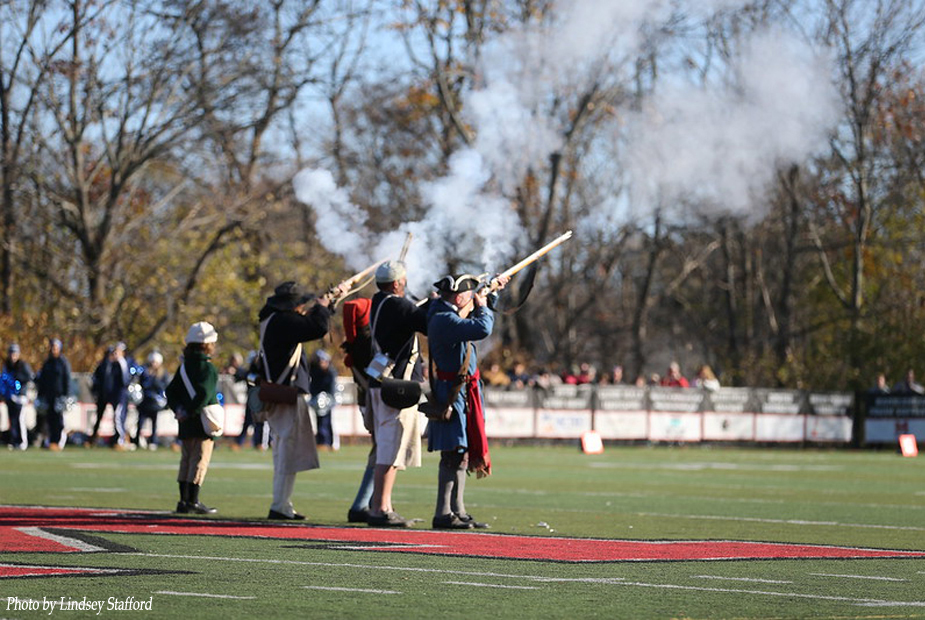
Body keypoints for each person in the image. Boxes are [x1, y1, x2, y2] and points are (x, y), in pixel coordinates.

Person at [257, 280, 346, 520]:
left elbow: (313, 322)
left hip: (282, 392)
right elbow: (316, 327)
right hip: (285, 393)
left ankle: (283, 503)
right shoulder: (282, 321)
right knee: (287, 449)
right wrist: (323, 305)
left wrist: (330, 303)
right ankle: (279, 505)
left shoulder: (275, 319)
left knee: (287, 449)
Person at [426, 272, 508, 530]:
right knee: (451, 453)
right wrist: (482, 305)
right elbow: (482, 327)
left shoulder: (447, 313)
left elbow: (475, 319)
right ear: (460, 296)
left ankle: (457, 510)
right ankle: (443, 513)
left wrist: (491, 294)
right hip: (452, 392)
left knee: (460, 453)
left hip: (461, 392)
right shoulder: (443, 318)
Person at [366, 260, 430, 528]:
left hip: (382, 380)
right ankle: (380, 508)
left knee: (389, 447)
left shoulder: (379, 302)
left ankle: (383, 504)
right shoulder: (398, 305)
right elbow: (427, 324)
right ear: (396, 283)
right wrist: (436, 303)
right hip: (396, 385)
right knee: (390, 450)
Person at [165, 322, 220, 515]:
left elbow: (170, 391)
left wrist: (180, 410)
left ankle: (182, 501)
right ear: (207, 344)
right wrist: (190, 410)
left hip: (185, 421)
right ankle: (193, 501)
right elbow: (204, 394)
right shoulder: (208, 368)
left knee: (186, 459)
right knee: (200, 460)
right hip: (202, 420)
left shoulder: (183, 367)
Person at [89, 343, 133, 449]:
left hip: (119, 395)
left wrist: (120, 362)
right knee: (103, 417)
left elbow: (126, 380)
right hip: (107, 395)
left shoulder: (125, 363)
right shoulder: (107, 364)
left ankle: (120, 440)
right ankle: (94, 439)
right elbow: (99, 378)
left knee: (118, 417)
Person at [34, 338, 72, 451]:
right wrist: (40, 394)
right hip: (48, 396)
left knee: (58, 420)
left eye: (55, 347)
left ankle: (58, 442)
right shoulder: (47, 363)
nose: (53, 350)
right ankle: (51, 442)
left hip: (59, 396)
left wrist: (66, 395)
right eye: (52, 347)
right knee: (49, 420)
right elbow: (42, 380)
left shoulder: (63, 362)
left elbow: (67, 379)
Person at [135, 351, 169, 450]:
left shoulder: (163, 373)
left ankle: (153, 441)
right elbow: (142, 384)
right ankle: (136, 440)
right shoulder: (144, 372)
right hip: (145, 402)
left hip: (155, 403)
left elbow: (163, 386)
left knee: (154, 423)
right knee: (140, 422)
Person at [2, 344, 33, 450]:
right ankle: (14, 441)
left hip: (20, 397)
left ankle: (22, 442)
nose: (12, 356)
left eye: (14, 354)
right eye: (11, 353)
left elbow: (29, 377)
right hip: (10, 396)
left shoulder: (23, 365)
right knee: (12, 419)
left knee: (20, 419)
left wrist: (17, 380)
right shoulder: (7, 365)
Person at [308, 349, 338, 451]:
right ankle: (321, 441)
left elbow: (332, 389)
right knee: (320, 421)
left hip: (328, 400)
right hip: (318, 400)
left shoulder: (330, 372)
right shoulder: (315, 371)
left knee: (327, 421)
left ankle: (328, 442)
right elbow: (313, 386)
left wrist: (328, 400)